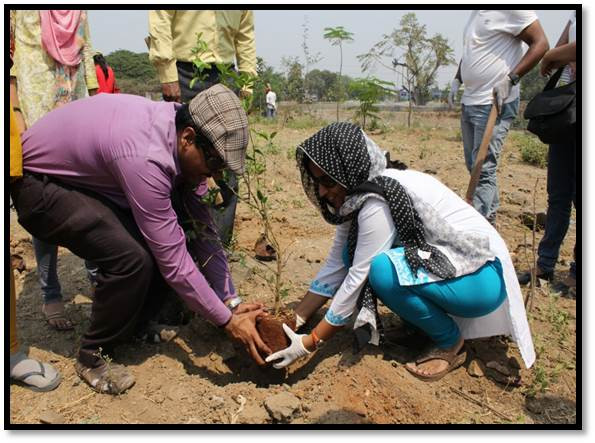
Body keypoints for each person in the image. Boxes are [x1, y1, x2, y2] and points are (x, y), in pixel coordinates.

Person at [10, 85, 271, 395]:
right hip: (37, 183)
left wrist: (232, 302)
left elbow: (203, 231)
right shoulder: (147, 157)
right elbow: (174, 263)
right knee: (131, 257)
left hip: (83, 178)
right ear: (188, 138)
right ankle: (93, 355)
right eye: (214, 164)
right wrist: (226, 322)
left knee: (168, 239)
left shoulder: (182, 135)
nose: (213, 175)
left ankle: (135, 326)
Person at [265, 123, 535, 381]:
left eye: (328, 180)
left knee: (383, 270)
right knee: (353, 255)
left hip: (482, 279)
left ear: (347, 169)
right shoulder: (358, 196)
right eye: (317, 182)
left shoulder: (377, 200)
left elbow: (358, 277)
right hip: (458, 272)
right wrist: (296, 318)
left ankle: (450, 343)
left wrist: (310, 342)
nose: (323, 191)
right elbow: (337, 264)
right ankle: (421, 327)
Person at [10, 10, 99, 331]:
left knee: (88, 196)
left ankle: (96, 280)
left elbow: (86, 49)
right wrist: (15, 110)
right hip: (34, 105)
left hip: (75, 101)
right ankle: (51, 292)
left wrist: (94, 98)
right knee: (42, 202)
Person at [148, 10, 257, 248]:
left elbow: (245, 34)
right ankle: (180, 244)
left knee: (225, 164)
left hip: (227, 74)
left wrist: (247, 85)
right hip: (184, 72)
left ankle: (218, 247)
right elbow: (161, 17)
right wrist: (168, 74)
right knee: (181, 162)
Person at [448, 10, 548, 224]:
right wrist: (458, 78)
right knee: (473, 165)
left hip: (494, 101)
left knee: (483, 167)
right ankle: (488, 219)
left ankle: (481, 226)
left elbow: (541, 44)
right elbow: (473, 51)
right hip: (470, 100)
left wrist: (511, 79)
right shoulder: (476, 12)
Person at [9, 13, 61, 391]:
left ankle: (9, 350)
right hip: (29, 104)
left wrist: (13, 113)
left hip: (40, 113)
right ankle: (50, 294)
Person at [517, 11, 577, 293]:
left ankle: (578, 272)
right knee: (558, 195)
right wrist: (562, 54)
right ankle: (545, 264)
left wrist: (554, 55)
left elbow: (559, 53)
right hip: (569, 110)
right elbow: (563, 48)